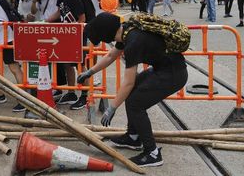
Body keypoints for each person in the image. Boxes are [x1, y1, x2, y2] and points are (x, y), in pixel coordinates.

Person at [77, 13, 187, 167]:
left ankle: (152, 153)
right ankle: (133, 137)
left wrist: (112, 108)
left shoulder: (133, 42)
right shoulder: (127, 31)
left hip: (172, 74)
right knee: (133, 93)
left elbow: (128, 82)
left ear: (106, 34)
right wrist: (90, 72)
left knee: (136, 103)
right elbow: (110, 56)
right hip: (164, 69)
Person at [42, 0, 89, 110]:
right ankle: (71, 92)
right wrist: (45, 21)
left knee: (81, 66)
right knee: (68, 64)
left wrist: (74, 34)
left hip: (77, 37)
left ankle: (84, 96)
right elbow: (59, 12)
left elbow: (82, 19)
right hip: (65, 37)